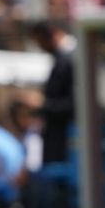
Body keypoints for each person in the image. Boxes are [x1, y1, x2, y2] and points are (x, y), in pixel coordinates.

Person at [29, 20, 75, 164]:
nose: (41, 47)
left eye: (41, 42)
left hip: (68, 139)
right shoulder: (63, 57)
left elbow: (74, 103)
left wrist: (42, 104)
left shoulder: (70, 58)